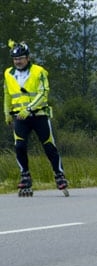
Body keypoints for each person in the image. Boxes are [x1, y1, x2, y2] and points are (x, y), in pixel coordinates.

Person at [4, 41, 69, 197]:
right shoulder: (8, 73)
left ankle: (59, 173)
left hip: (39, 115)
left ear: (27, 58)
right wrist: (6, 112)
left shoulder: (39, 72)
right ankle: (25, 174)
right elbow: (7, 94)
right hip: (20, 117)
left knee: (48, 145)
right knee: (19, 146)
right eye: (15, 59)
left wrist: (29, 109)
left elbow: (43, 93)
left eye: (20, 58)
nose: (17, 62)